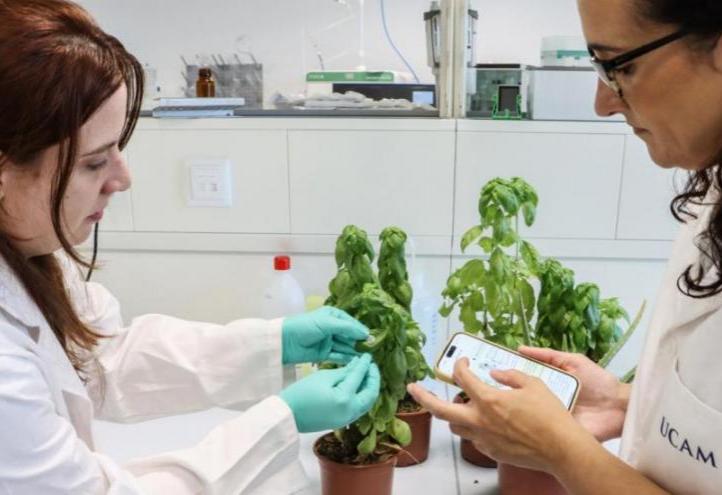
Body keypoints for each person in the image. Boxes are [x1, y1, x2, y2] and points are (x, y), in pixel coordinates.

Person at [0, 1, 379, 493]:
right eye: (94, 163)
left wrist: (273, 341)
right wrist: (279, 422)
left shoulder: (29, 247)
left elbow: (99, 359)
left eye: (119, 149)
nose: (123, 178)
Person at [409, 1, 722, 494]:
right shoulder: (712, 190)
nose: (603, 101)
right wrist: (622, 402)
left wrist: (559, 450)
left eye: (618, 65)